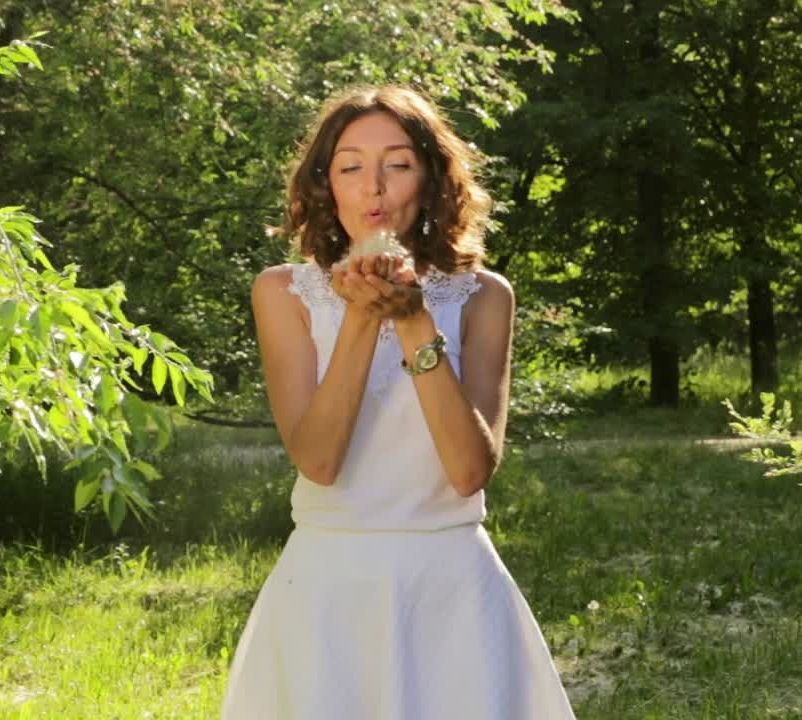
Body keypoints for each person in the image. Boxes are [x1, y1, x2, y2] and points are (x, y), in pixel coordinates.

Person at [220, 85, 575, 719]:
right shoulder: (284, 293)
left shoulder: (484, 296)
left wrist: (413, 322)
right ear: (327, 183)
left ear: (432, 180)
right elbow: (319, 462)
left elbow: (470, 472)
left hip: (452, 586)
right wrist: (360, 317)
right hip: (327, 586)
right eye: (351, 166)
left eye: (398, 164)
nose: (373, 187)